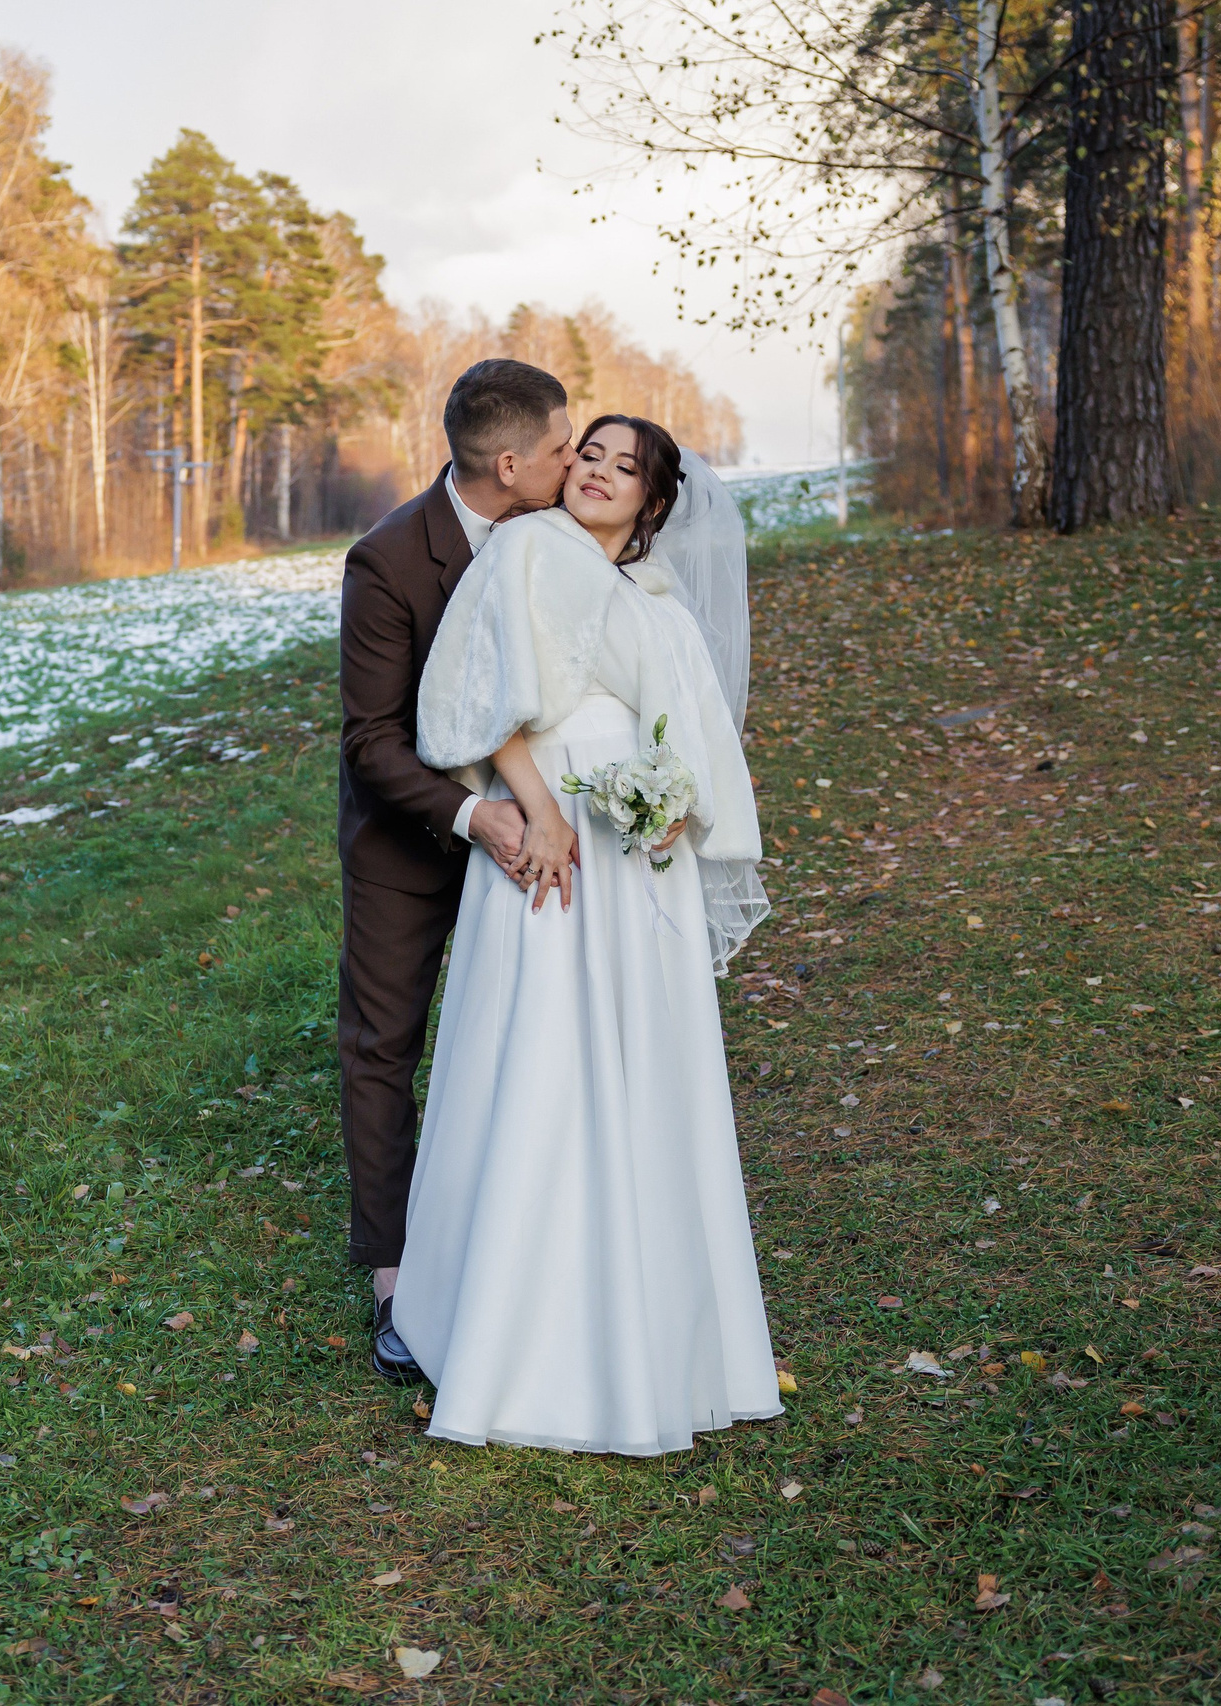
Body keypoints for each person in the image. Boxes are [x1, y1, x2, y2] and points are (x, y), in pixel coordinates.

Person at [390, 413, 782, 1456]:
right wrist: (540, 808)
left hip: (630, 860)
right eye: (589, 455)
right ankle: (523, 1338)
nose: (598, 473)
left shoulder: (651, 596)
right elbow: (478, 695)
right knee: (544, 1059)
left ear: (654, 503)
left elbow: (691, 726)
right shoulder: (526, 550)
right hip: (553, 839)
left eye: (624, 466)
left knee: (639, 1065)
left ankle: (658, 1332)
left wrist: (668, 808)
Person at [337, 359, 574, 1382]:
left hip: (542, 835)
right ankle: (394, 1278)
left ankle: (532, 1249)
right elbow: (372, 741)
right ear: (510, 462)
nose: (577, 459)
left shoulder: (561, 530)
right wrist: (477, 814)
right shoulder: (387, 560)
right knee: (385, 1041)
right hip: (412, 836)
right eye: (563, 445)